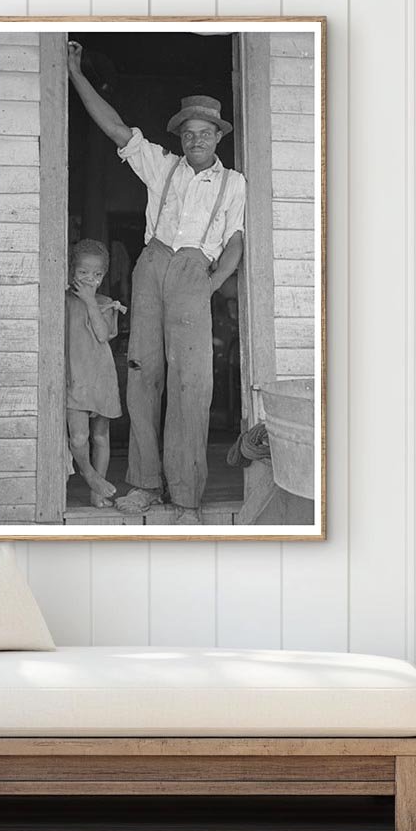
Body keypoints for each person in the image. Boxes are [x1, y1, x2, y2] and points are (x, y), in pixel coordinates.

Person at [67, 40, 247, 524]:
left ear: (217, 136)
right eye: (188, 133)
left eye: (204, 133)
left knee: (192, 387)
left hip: (195, 274)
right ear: (181, 137)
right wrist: (75, 73)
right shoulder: (162, 166)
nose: (195, 141)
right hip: (152, 267)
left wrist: (208, 287)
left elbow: (234, 243)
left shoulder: (233, 184)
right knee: (143, 378)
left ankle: (187, 497)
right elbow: (114, 128)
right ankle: (145, 485)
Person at [66, 238, 126, 509]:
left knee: (100, 437)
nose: (90, 279)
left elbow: (103, 335)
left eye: (97, 274)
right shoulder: (62, 301)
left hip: (101, 377)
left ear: (104, 275)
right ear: (71, 271)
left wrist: (91, 301)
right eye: (83, 273)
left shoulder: (105, 303)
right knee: (79, 437)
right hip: (74, 377)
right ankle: (90, 476)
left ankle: (97, 490)